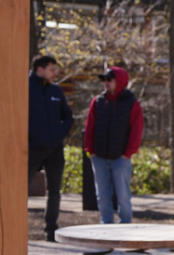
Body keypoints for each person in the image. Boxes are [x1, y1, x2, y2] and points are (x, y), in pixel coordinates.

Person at [82, 65, 143, 225]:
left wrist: (128, 154)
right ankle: (106, 225)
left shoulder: (131, 104)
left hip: (121, 158)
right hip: (99, 157)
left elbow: (136, 130)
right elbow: (90, 127)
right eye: (104, 80)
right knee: (102, 195)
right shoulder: (98, 102)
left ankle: (125, 224)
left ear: (120, 81)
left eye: (109, 79)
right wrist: (90, 151)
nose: (106, 83)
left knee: (123, 195)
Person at [28, 54, 73, 241]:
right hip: (31, 149)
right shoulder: (25, 88)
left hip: (55, 150)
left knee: (55, 191)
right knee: (19, 190)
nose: (55, 73)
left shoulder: (56, 91)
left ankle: (51, 230)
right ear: (40, 69)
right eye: (52, 69)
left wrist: (59, 134)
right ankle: (16, 228)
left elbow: (68, 116)